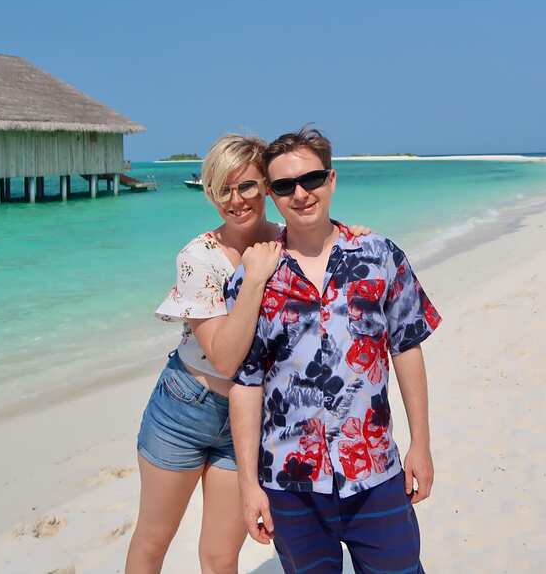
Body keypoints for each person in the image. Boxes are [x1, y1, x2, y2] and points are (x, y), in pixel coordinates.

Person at [126, 134, 375, 574]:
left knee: (221, 555)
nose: (236, 200)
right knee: (153, 541)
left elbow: (328, 238)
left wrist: (357, 236)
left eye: (247, 187)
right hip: (184, 409)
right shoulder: (198, 258)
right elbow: (224, 358)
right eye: (224, 189)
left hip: (249, 419)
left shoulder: (286, 240)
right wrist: (254, 277)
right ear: (209, 193)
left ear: (266, 188)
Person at [227, 127, 442, 574]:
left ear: (332, 180)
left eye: (312, 179)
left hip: (376, 471)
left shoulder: (379, 255)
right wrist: (248, 485)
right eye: (285, 186)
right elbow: (245, 383)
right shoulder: (255, 278)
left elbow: (406, 350)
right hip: (290, 481)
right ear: (271, 193)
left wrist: (420, 444)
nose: (301, 194)